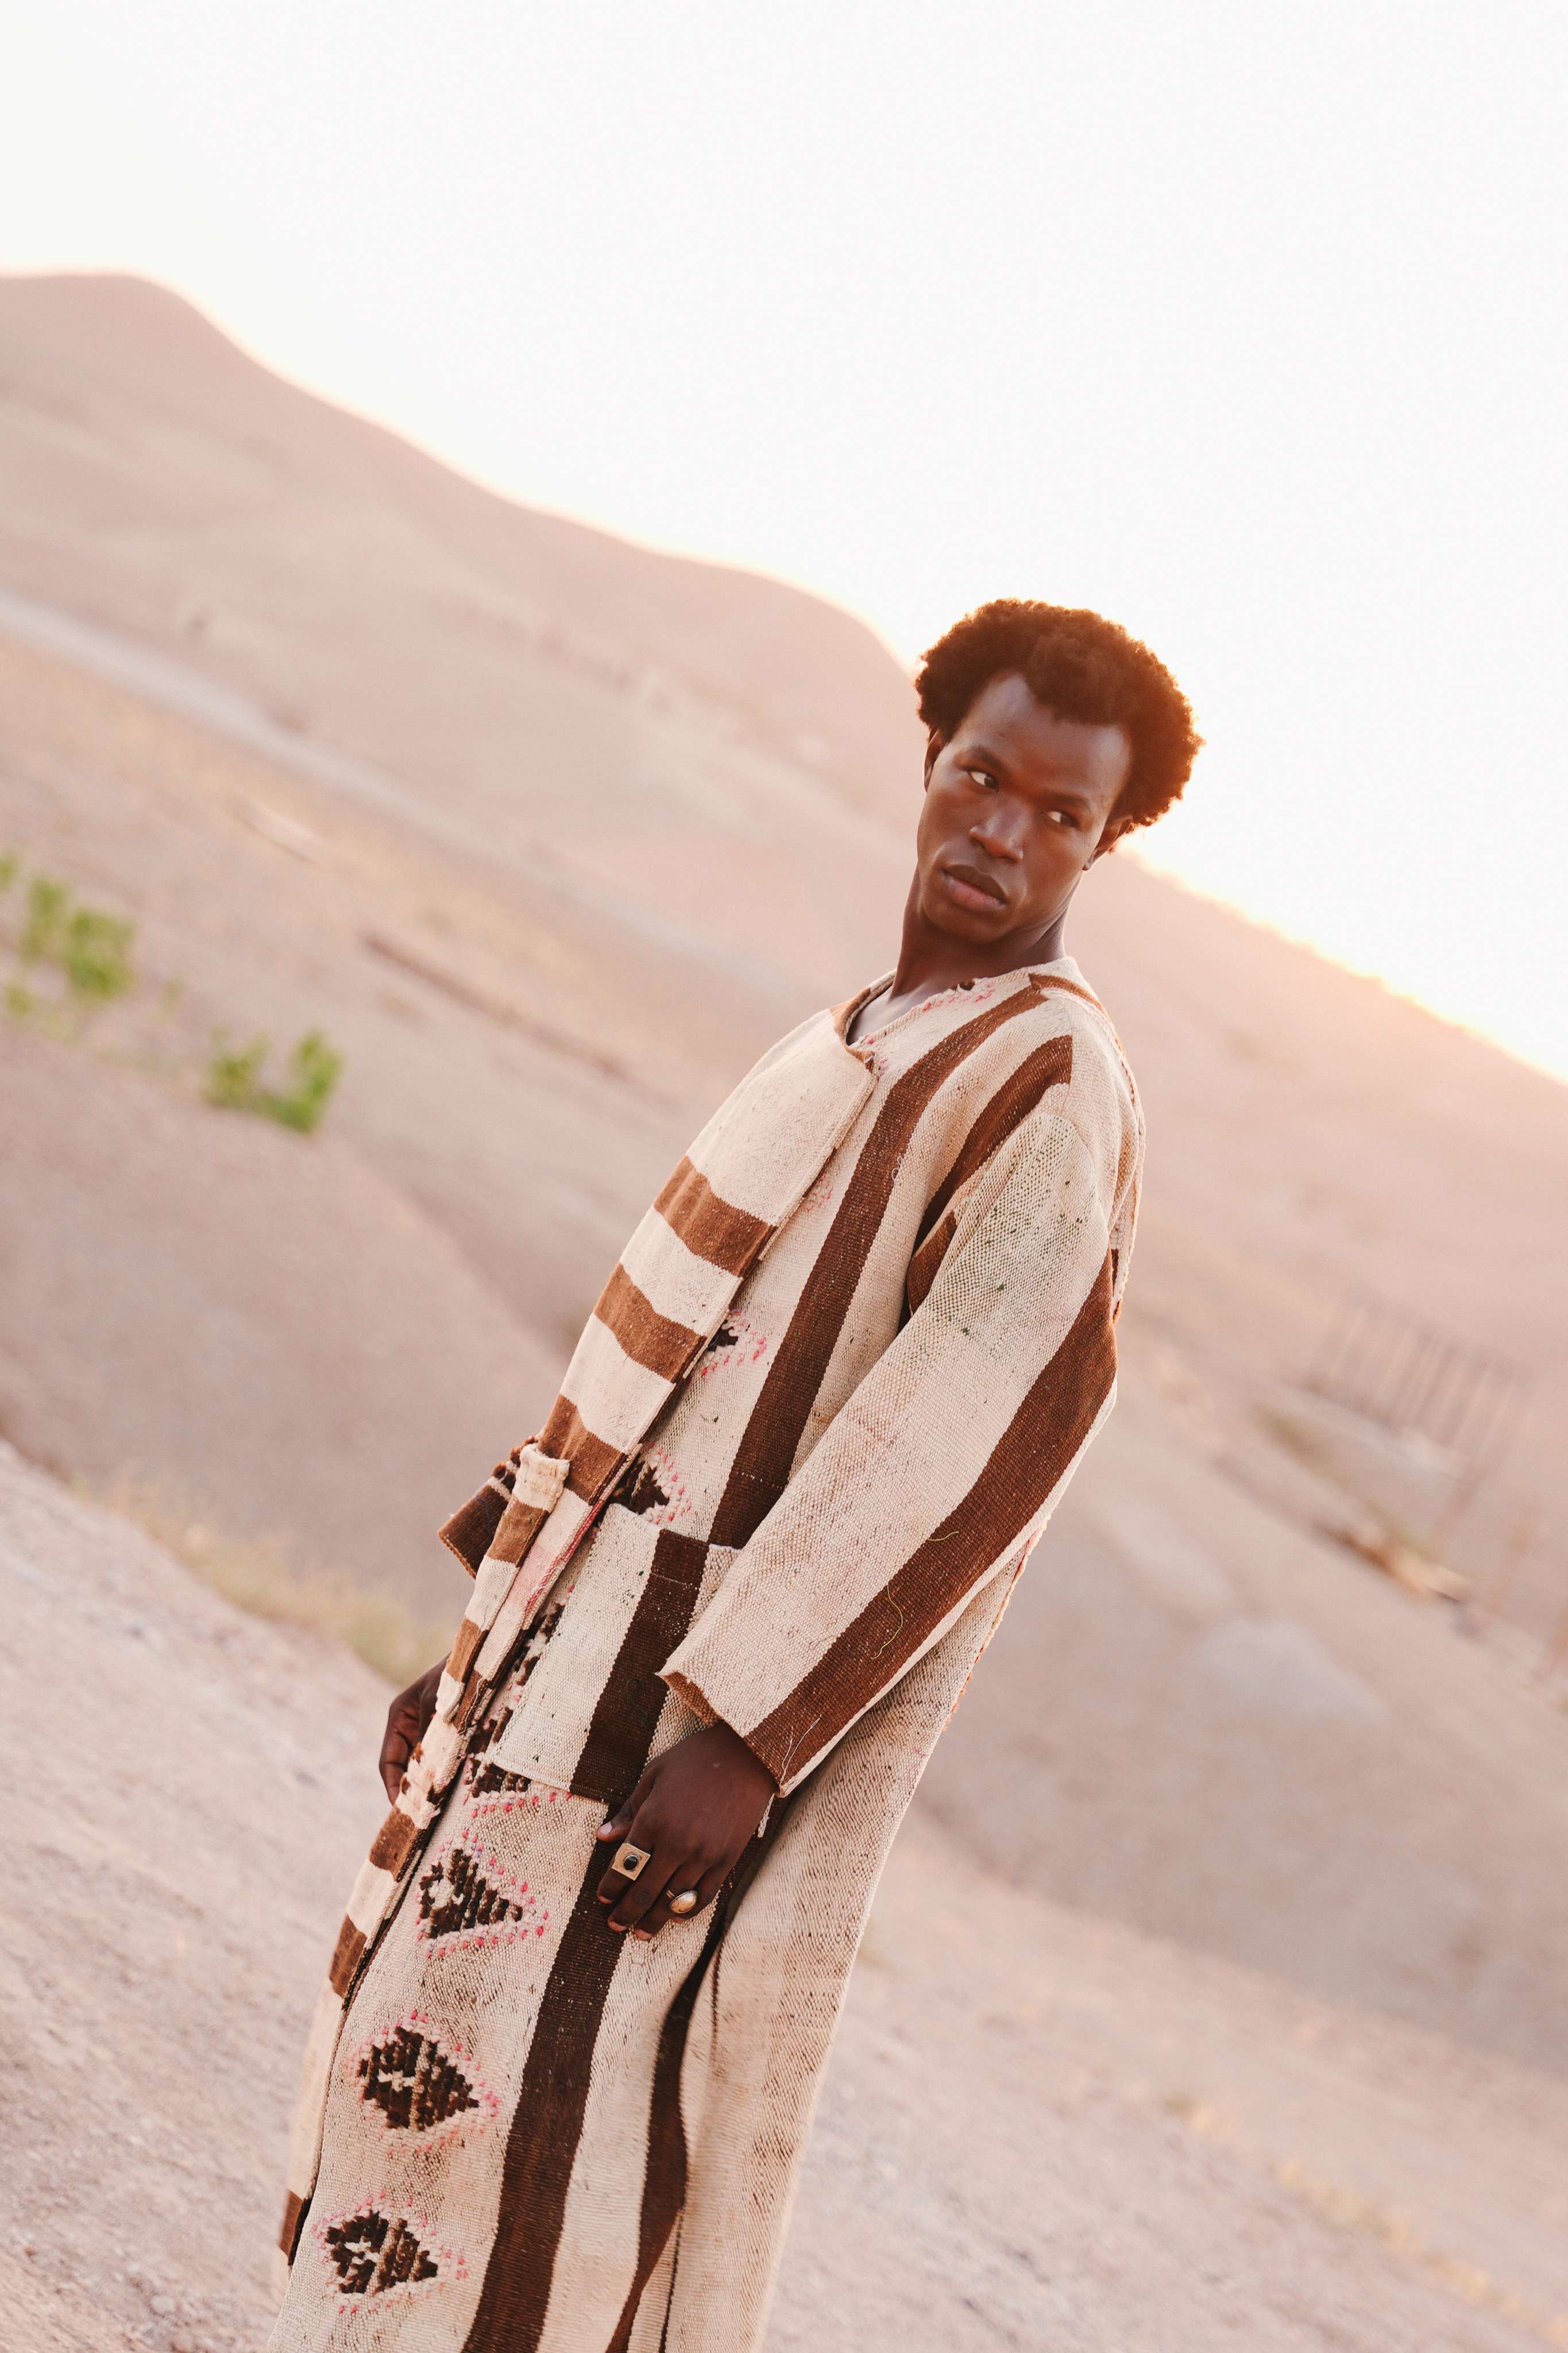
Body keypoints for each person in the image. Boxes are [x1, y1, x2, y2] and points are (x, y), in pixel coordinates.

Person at [270, 597, 1200, 2352]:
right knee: (413, 2079)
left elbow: (976, 1429)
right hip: (560, 1679)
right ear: (929, 760)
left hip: (670, 1746)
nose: (1001, 831)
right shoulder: (858, 1026)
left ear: (1103, 840)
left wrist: (752, 1741)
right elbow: (662, 1383)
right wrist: (484, 1644)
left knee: (555, 2161)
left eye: (1058, 812)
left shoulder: (1047, 1076)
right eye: (980, 777)